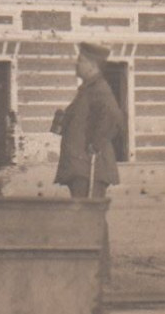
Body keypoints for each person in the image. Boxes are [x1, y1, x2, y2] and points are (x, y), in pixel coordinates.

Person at [54, 42, 126, 200]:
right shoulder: (87, 90)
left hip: (90, 167)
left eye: (80, 60)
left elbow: (114, 117)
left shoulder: (100, 88)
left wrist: (95, 144)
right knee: (85, 219)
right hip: (80, 168)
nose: (76, 64)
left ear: (92, 65)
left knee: (88, 217)